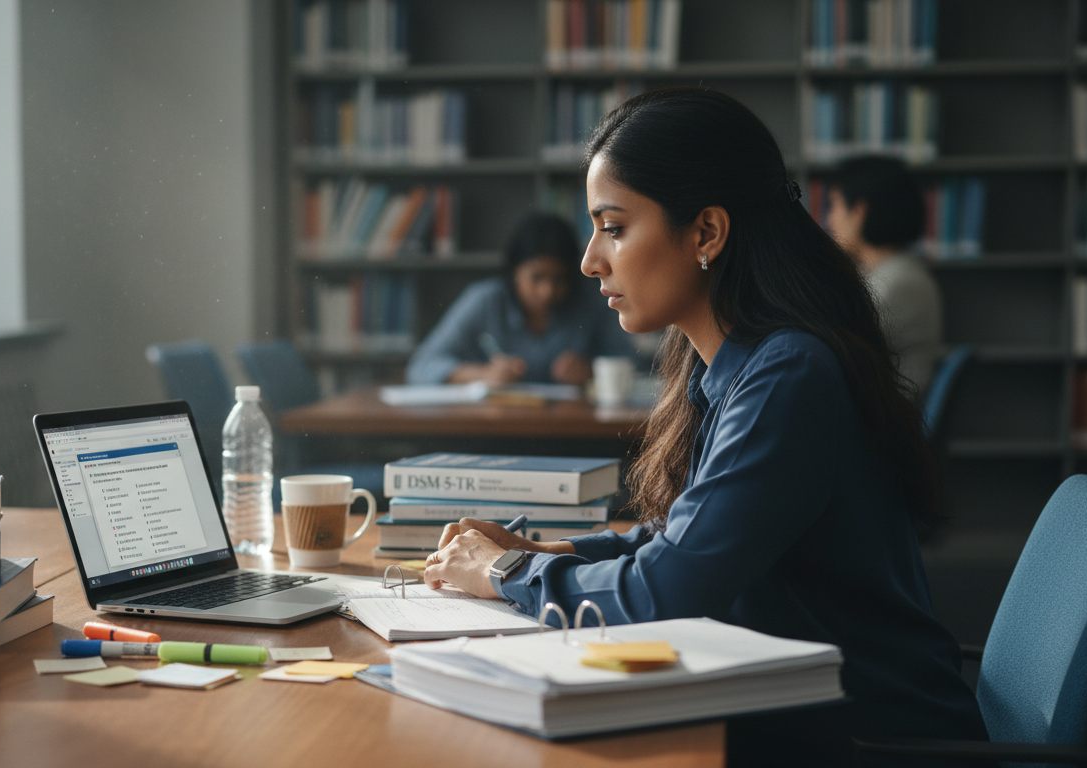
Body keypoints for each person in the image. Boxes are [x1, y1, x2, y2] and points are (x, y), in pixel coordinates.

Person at [422, 88, 987, 766]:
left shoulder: (789, 374)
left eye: (615, 226)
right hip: (788, 708)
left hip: (867, 738)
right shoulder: (726, 361)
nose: (590, 260)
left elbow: (667, 589)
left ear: (707, 233)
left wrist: (508, 570)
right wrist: (547, 553)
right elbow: (679, 539)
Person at [405, 213, 637, 386]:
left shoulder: (592, 302)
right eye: (536, 278)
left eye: (560, 280)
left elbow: (639, 369)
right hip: (496, 429)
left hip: (575, 430)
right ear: (514, 272)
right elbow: (422, 366)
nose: (547, 291)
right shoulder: (486, 300)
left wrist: (593, 372)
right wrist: (481, 374)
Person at [827, 155, 943, 398]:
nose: (829, 220)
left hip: (884, 422)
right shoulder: (886, 273)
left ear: (859, 212)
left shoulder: (901, 282)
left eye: (835, 205)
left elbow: (835, 347)